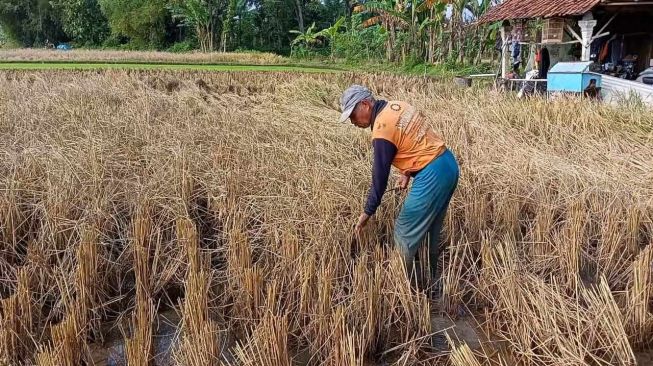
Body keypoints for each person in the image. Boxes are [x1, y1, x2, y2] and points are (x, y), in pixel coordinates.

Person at [339, 85, 460, 287]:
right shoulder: (396, 106)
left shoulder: (381, 130)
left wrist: (366, 214)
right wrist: (407, 171)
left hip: (432, 175)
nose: (352, 121)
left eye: (352, 114)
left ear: (365, 104)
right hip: (448, 165)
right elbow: (416, 139)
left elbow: (379, 180)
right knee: (430, 230)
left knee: (403, 231)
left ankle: (404, 289)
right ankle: (430, 283)